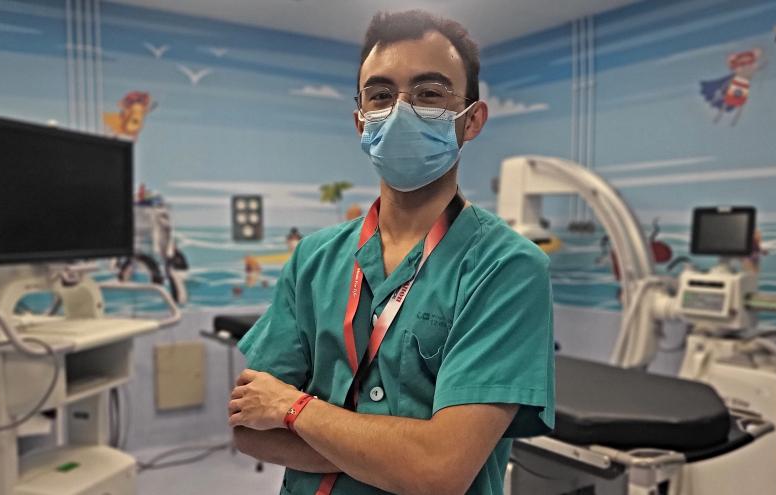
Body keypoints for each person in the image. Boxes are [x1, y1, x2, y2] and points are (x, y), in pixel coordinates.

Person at [228, 10, 554, 495]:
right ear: (361, 120)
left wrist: (293, 409)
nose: (401, 110)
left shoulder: (507, 268)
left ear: (471, 120)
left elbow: (439, 471)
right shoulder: (314, 259)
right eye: (381, 95)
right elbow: (249, 429)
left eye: (429, 94)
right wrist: (396, 454)